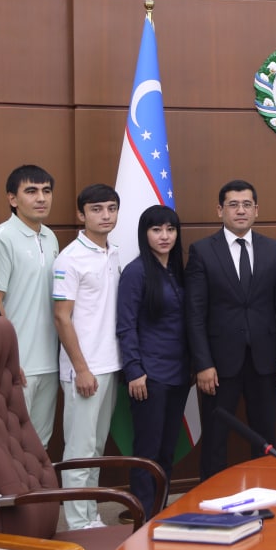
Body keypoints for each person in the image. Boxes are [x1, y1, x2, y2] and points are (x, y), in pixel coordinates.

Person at [186, 180, 276, 478]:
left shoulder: (272, 249)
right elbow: (194, 314)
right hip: (218, 366)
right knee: (215, 439)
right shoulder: (202, 251)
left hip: (265, 362)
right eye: (233, 205)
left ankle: (267, 494)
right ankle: (211, 501)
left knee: (265, 438)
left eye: (247, 204)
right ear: (220, 210)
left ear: (256, 210)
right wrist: (203, 364)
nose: (240, 210)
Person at [51, 183, 122, 529]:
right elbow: (61, 317)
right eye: (96, 209)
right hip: (84, 369)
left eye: (111, 208)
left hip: (111, 365)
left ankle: (90, 515)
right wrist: (81, 369)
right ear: (81, 215)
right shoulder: (69, 258)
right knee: (79, 451)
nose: (105, 215)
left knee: (95, 449)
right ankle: (78, 524)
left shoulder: (115, 253)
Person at [116, 204, 188, 519]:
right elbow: (125, 325)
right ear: (144, 234)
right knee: (148, 448)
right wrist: (134, 370)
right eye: (156, 229)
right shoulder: (136, 272)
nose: (164, 236)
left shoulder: (178, 270)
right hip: (149, 376)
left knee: (167, 448)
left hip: (179, 373)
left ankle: (160, 506)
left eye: (170, 229)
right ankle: (143, 512)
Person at [0, 164, 60, 448]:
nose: (41, 198)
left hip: (50, 362)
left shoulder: (50, 236)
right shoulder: (1, 238)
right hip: (18, 365)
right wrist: (9, 361)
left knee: (40, 446)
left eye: (46, 191)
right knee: (12, 447)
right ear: (12, 199)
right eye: (31, 191)